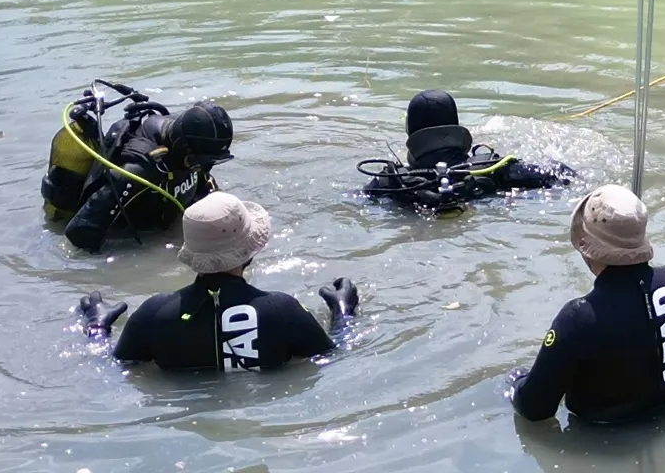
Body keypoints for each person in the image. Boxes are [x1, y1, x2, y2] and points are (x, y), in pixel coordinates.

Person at [75, 191, 360, 371]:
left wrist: (97, 327)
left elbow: (112, 367)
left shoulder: (152, 316)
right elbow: (335, 358)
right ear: (250, 252)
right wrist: (343, 313)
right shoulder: (282, 312)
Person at [506, 184, 665, 424]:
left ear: (585, 245)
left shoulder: (578, 317)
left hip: (605, 441)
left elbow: (535, 408)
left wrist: (515, 382)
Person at [41, 83, 237, 253]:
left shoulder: (191, 146)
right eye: (198, 162)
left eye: (210, 162)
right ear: (182, 147)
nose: (202, 168)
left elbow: (204, 187)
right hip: (133, 231)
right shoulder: (137, 171)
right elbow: (79, 233)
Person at [358, 89, 577, 215]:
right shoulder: (494, 170)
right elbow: (563, 174)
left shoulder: (390, 183)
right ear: (456, 127)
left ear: (410, 132)